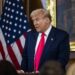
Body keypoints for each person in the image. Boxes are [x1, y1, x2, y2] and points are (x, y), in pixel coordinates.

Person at [21, 8, 70, 73]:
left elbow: (63, 59)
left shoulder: (61, 36)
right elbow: (25, 56)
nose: (35, 23)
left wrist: (45, 72)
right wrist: (23, 71)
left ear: (47, 20)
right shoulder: (30, 35)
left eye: (37, 20)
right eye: (33, 21)